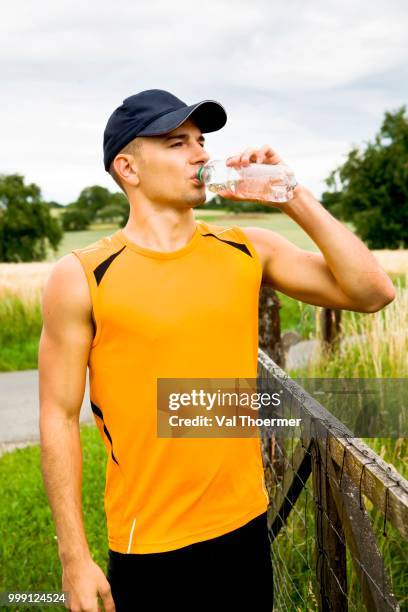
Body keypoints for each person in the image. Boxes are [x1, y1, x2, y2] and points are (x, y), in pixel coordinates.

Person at [39, 89, 395, 612]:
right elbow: (57, 415)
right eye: (177, 143)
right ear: (128, 168)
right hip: (150, 544)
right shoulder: (82, 276)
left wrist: (290, 194)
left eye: (202, 141)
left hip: (246, 529)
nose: (201, 154)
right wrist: (74, 557)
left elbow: (373, 292)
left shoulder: (247, 247)